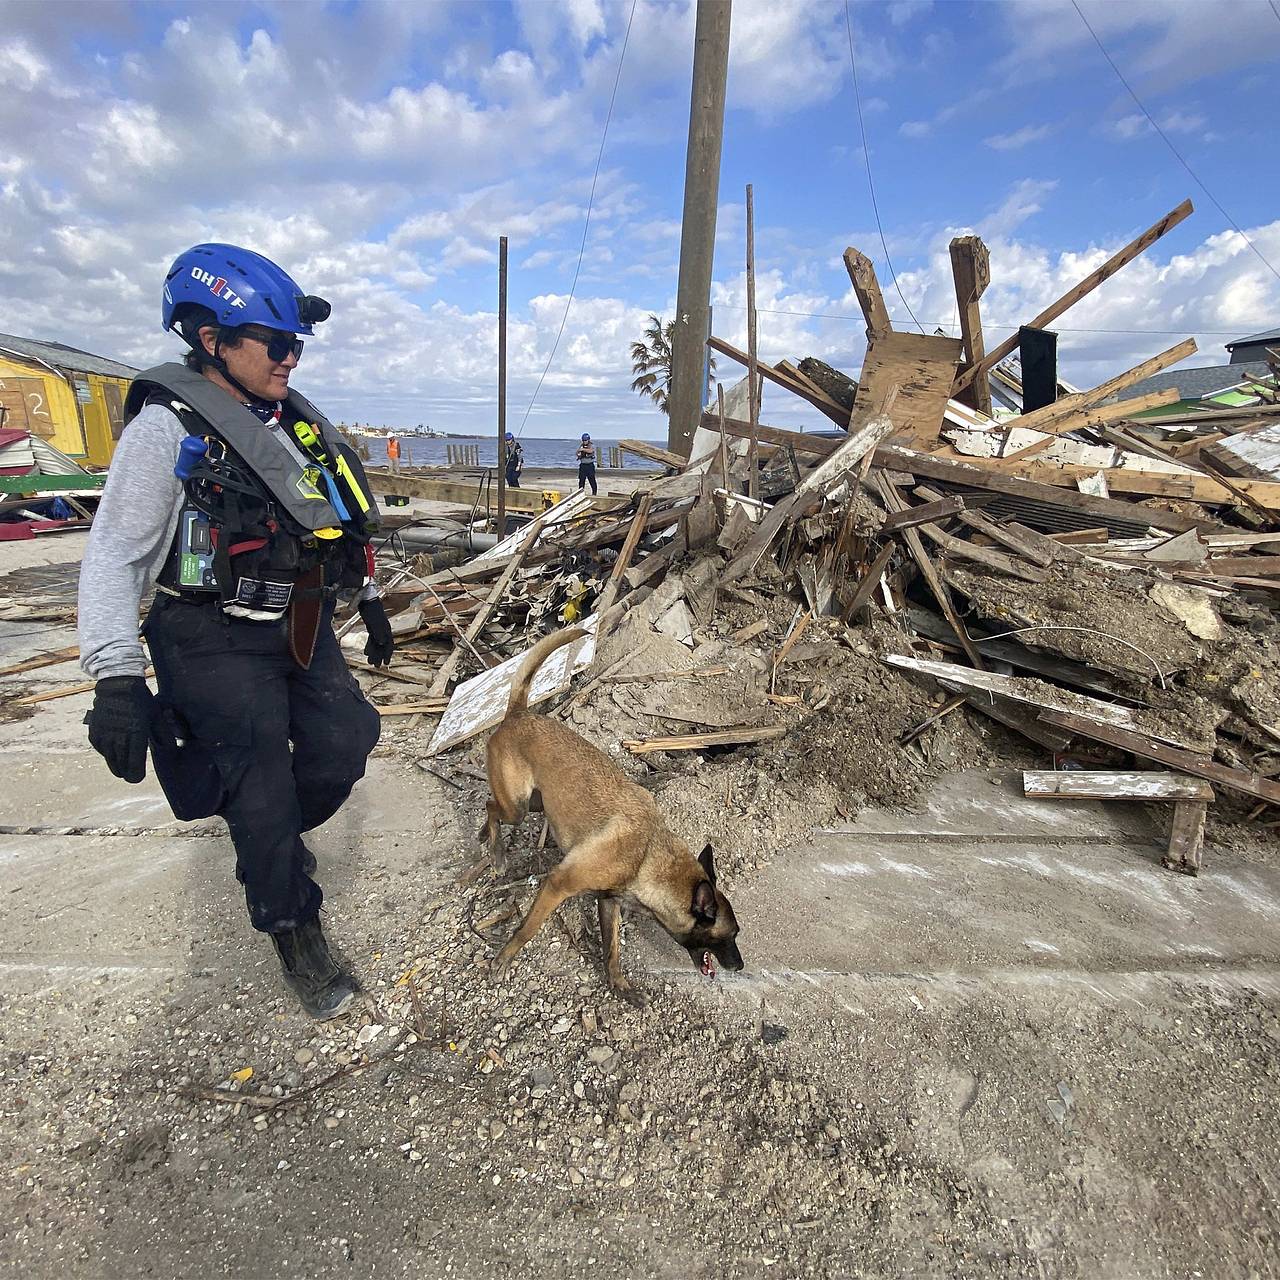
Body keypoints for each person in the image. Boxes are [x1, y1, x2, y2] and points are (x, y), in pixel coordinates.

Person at [78, 243, 395, 1021]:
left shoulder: (289, 421)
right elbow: (114, 553)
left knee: (346, 741)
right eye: (275, 343)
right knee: (260, 793)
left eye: (295, 344)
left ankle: (269, 838)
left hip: (298, 624)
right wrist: (116, 677)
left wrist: (373, 596)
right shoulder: (166, 430)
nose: (291, 358)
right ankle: (292, 922)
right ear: (212, 339)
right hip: (206, 636)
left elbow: (333, 519)